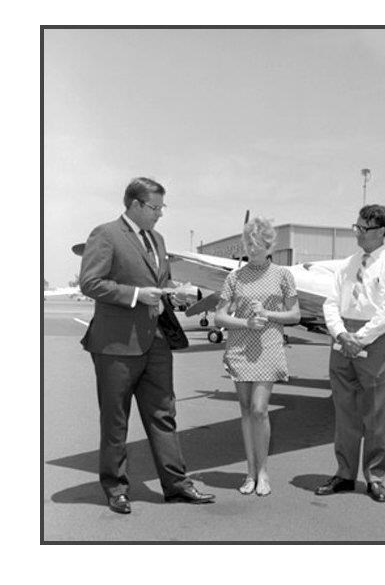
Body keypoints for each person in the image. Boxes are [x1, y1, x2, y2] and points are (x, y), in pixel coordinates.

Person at [79, 177, 215, 514]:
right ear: (135, 205)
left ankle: (177, 485)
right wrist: (137, 296)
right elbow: (91, 282)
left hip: (155, 342)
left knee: (163, 415)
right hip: (115, 345)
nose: (160, 215)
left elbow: (158, 281)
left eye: (161, 208)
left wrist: (175, 290)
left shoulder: (158, 239)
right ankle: (116, 488)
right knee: (116, 420)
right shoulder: (105, 234)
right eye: (155, 208)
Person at [315, 204, 385, 503]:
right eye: (356, 226)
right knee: (345, 411)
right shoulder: (346, 264)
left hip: (377, 339)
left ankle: (375, 477)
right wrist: (341, 333)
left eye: (363, 228)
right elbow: (331, 302)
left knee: (378, 413)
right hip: (344, 338)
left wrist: (362, 337)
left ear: (381, 231)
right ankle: (344, 473)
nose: (357, 232)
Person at [215, 217, 300, 496]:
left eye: (257, 245)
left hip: (269, 347)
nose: (251, 249)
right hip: (240, 347)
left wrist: (267, 314)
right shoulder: (234, 277)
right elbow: (219, 317)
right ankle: (249, 472)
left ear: (268, 245)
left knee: (259, 409)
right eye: (248, 244)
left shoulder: (283, 275)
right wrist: (245, 323)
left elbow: (295, 315)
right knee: (244, 409)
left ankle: (263, 471)